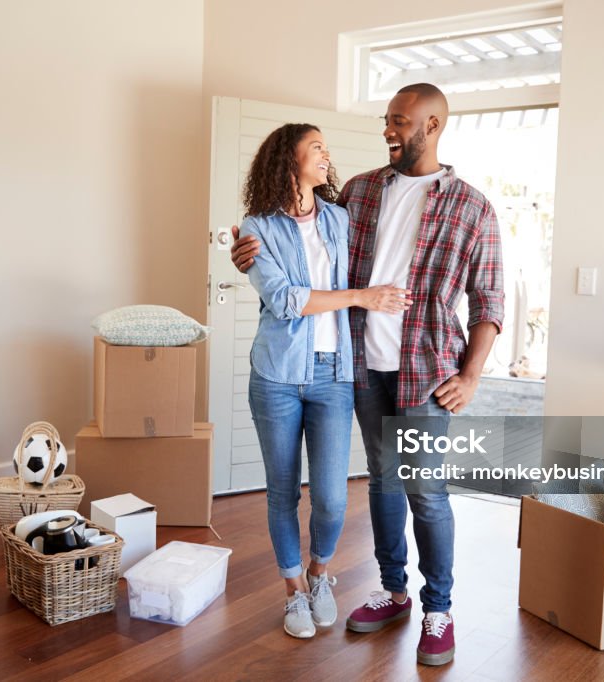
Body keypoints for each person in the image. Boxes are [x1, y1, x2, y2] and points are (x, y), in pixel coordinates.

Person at [232, 83, 504, 666]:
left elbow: (490, 302)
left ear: (431, 127)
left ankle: (439, 608)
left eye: (399, 122)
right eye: (387, 119)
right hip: (358, 368)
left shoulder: (472, 206)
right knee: (382, 483)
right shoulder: (358, 193)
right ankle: (394, 590)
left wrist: (474, 374)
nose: (387, 130)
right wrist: (248, 255)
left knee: (425, 492)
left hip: (426, 373)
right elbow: (301, 253)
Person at [238, 122, 412, 640]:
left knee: (333, 497)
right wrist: (361, 296)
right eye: (316, 147)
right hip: (276, 375)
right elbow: (287, 300)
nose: (326, 155)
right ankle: (292, 591)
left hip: (333, 375)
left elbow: (389, 244)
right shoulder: (256, 227)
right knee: (283, 491)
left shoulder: (339, 218)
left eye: (326, 149)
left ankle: (319, 576)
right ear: (287, 158)